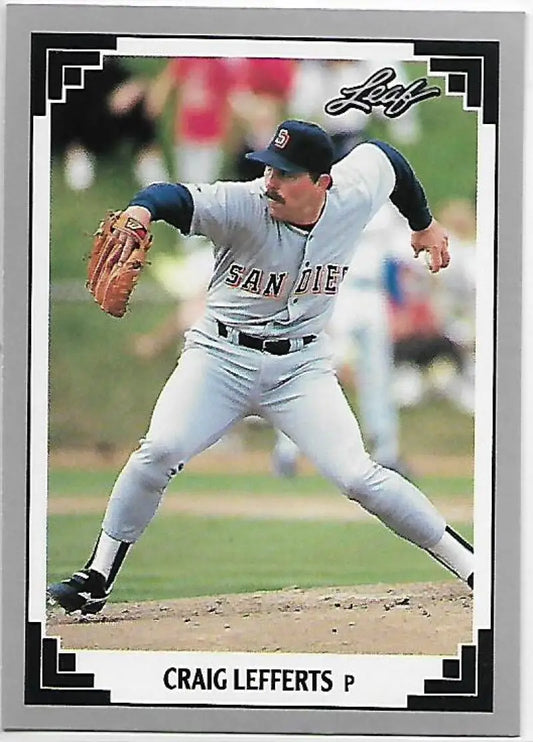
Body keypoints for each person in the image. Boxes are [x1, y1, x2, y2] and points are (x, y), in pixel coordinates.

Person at [48, 119, 474, 615]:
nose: (271, 182)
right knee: (159, 450)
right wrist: (142, 211)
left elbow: (389, 159)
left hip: (302, 369)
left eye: (286, 174)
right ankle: (96, 576)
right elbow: (170, 196)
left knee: (360, 476)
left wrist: (421, 224)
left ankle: (472, 567)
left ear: (322, 182)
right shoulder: (242, 204)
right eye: (270, 169)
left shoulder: (353, 193)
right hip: (220, 360)